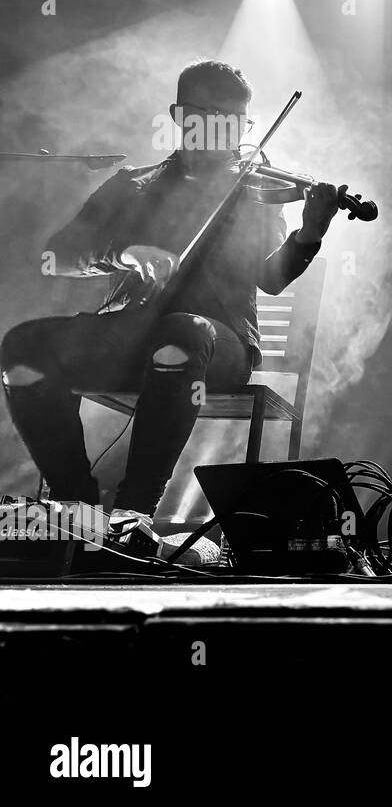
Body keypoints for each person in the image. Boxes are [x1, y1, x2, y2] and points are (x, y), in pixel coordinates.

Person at [0, 60, 339, 537]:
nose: (227, 135)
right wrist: (123, 252)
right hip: (129, 337)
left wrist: (309, 234)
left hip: (219, 347)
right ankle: (76, 505)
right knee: (22, 347)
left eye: (236, 122)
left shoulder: (250, 192)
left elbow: (272, 278)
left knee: (182, 331)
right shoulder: (133, 185)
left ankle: (133, 514)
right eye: (211, 117)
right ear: (180, 116)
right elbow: (58, 254)